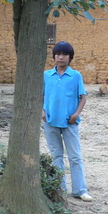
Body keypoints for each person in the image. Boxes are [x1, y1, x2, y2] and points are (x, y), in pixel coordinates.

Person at [42, 41, 92, 202]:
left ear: (70, 57)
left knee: (75, 157)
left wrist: (76, 114)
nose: (60, 57)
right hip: (50, 122)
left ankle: (80, 190)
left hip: (70, 123)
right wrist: (41, 111)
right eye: (57, 54)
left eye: (64, 54)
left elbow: (83, 97)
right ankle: (60, 188)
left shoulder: (75, 76)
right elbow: (39, 95)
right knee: (56, 156)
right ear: (54, 56)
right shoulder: (46, 76)